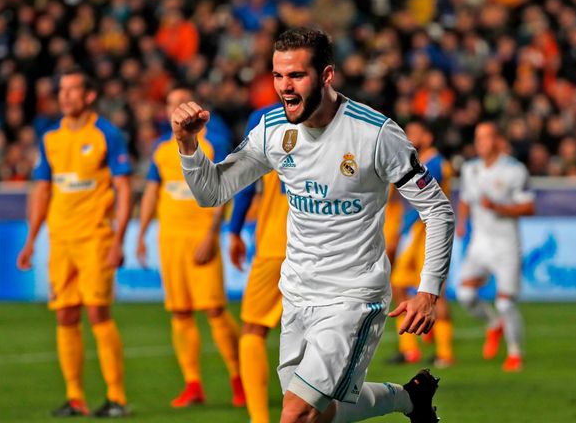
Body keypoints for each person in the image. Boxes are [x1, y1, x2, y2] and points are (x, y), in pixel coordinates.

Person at [173, 28, 454, 423]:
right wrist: (188, 146)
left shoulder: (375, 133)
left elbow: (438, 210)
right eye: (277, 76)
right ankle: (410, 398)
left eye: (296, 76)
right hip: (298, 291)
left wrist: (428, 291)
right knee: (319, 414)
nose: (284, 87)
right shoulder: (273, 129)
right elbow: (212, 191)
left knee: (296, 413)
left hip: (353, 295)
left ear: (326, 75)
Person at [16, 68, 132, 417]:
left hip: (95, 237)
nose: (65, 96)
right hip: (61, 240)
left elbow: (123, 188)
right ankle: (75, 397)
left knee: (97, 312)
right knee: (65, 315)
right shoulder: (50, 137)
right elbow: (42, 188)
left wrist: (119, 239)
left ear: (89, 96)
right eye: (62, 90)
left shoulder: (106, 134)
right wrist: (31, 238)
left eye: (72, 90)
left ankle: (116, 397)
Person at [136, 86, 245, 408]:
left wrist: (212, 235)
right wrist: (141, 232)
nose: (173, 109)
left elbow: (225, 189)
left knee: (214, 310)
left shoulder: (215, 142)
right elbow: (153, 192)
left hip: (200, 236)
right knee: (180, 312)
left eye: (179, 103)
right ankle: (192, 384)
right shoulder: (161, 147)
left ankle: (239, 380)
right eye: (169, 104)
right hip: (170, 238)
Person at [455, 122, 535, 373]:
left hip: (506, 245)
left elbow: (529, 207)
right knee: (465, 294)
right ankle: (493, 325)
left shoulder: (514, 170)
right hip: (480, 244)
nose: (480, 143)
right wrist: (462, 221)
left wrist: (499, 208)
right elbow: (467, 198)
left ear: (497, 140)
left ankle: (514, 354)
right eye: (478, 138)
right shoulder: (470, 169)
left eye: (486, 138)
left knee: (506, 303)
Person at [228, 103, 288, 423]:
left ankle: (260, 419)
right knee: (318, 339)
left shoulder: (264, 118)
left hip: (277, 245)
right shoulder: (342, 114)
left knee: (253, 328)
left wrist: (235, 229)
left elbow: (246, 180)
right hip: (325, 248)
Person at [388, 118, 455, 368]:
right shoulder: (417, 162)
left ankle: (445, 353)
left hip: (430, 235)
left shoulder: (435, 163)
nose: (409, 136)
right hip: (417, 235)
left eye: (414, 132)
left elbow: (426, 205)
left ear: (427, 136)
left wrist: (398, 232)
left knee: (435, 293)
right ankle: (410, 350)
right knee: (397, 286)